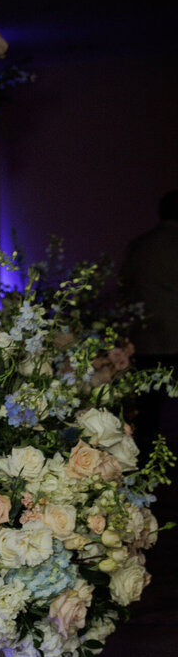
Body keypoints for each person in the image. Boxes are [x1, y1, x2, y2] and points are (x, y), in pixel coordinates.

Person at [121, 189, 178, 459]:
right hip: (175, 338)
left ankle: (143, 461)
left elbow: (125, 287)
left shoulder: (140, 245)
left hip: (147, 339)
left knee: (148, 409)